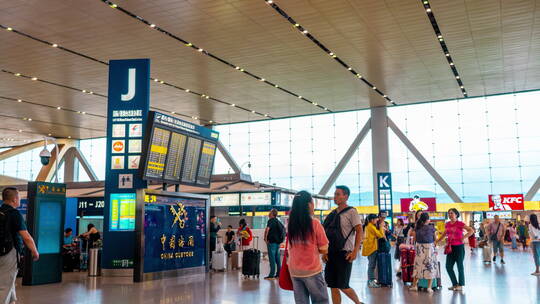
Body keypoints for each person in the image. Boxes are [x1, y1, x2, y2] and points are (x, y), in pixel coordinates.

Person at [322, 186, 363, 304]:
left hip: (345, 253)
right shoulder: (332, 214)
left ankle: (358, 302)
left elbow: (359, 230)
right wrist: (325, 252)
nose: (335, 197)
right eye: (335, 194)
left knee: (343, 285)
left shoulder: (351, 212)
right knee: (332, 285)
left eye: (338, 194)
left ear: (346, 196)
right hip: (331, 253)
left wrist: (355, 251)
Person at [287, 191, 329, 304]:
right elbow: (324, 248)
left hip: (294, 270)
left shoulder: (290, 224)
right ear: (309, 204)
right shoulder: (315, 223)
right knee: (321, 301)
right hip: (312, 270)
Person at [0, 187, 39, 303]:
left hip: (1, 252)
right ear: (14, 199)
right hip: (9, 253)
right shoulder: (14, 214)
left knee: (8, 281)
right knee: (4, 286)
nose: (20, 200)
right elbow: (26, 236)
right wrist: (35, 251)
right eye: (19, 198)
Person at [435, 208, 473, 291]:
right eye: (449, 213)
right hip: (450, 248)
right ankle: (455, 284)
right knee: (448, 266)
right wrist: (437, 241)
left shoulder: (460, 223)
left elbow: (471, 231)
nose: (450, 215)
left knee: (460, 266)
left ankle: (461, 285)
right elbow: (444, 234)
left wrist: (463, 237)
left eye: (451, 213)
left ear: (456, 214)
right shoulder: (447, 224)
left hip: (459, 247)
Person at [409, 213, 437, 293]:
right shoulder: (431, 228)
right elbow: (435, 239)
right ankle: (429, 287)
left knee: (418, 266)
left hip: (419, 248)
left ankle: (414, 286)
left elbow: (414, 239)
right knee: (430, 266)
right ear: (428, 220)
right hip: (429, 249)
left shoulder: (417, 228)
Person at [361, 214, 385, 288]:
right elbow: (380, 235)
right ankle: (371, 281)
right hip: (372, 248)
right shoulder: (371, 226)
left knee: (371, 265)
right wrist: (381, 227)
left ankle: (371, 281)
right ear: (372, 220)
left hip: (370, 247)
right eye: (375, 219)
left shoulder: (369, 226)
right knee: (372, 266)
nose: (377, 220)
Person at [264, 208, 285, 280]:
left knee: (272, 258)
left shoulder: (271, 220)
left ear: (272, 214)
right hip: (278, 243)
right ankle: (279, 274)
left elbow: (267, 229)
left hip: (272, 242)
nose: (268, 213)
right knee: (277, 258)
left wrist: (265, 238)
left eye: (270, 212)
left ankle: (271, 275)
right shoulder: (278, 221)